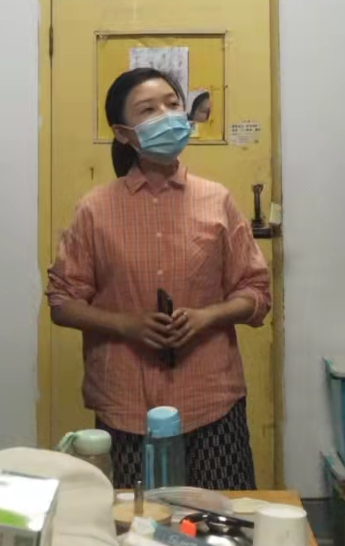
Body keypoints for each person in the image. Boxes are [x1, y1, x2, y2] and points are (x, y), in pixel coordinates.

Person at [47, 67, 271, 490]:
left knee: (220, 520)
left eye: (172, 104)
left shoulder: (216, 200)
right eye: (148, 110)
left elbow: (256, 292)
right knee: (135, 521)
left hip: (211, 400)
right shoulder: (95, 209)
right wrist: (126, 325)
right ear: (124, 133)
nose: (167, 115)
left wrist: (207, 317)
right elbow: (62, 302)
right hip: (126, 405)